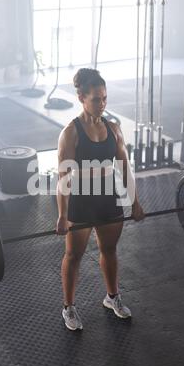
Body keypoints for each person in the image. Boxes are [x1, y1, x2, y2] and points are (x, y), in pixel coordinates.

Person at [56, 68, 144, 331]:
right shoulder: (70, 133)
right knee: (73, 255)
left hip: (108, 197)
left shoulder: (114, 129)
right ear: (82, 97)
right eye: (96, 99)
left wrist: (135, 202)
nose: (102, 104)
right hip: (81, 201)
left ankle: (112, 297)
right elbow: (63, 177)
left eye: (105, 98)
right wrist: (62, 215)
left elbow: (125, 168)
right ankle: (69, 308)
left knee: (109, 251)